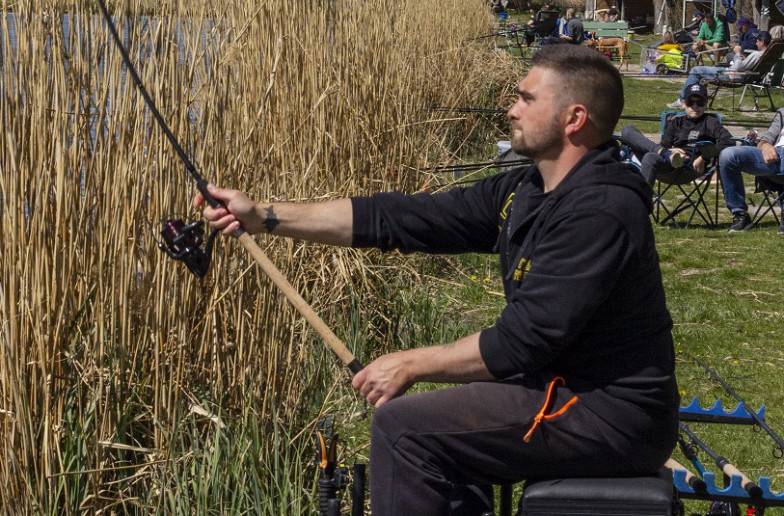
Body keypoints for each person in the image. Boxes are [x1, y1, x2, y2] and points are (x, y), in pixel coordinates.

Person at [197, 45, 679, 516]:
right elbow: (404, 218)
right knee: (435, 427)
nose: (511, 110)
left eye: (527, 99)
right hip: (559, 389)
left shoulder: (599, 211)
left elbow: (522, 342)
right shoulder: (530, 188)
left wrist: (408, 364)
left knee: (403, 430)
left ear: (574, 119)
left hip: (610, 415)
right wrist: (264, 216)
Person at [620, 81, 735, 186]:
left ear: (706, 105)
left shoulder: (709, 122)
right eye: (691, 102)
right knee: (627, 130)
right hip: (667, 163)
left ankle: (643, 200)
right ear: (684, 104)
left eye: (700, 102)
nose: (695, 106)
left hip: (687, 168)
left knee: (650, 157)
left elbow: (729, 140)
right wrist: (669, 151)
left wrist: (703, 158)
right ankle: (664, 153)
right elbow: (664, 144)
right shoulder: (676, 121)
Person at [719, 104, 784, 232]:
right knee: (729, 155)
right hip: (775, 156)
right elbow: (767, 138)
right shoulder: (783, 112)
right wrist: (765, 145)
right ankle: (740, 215)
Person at [680, 30, 770, 100]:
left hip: (730, 75)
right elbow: (744, 66)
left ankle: (683, 100)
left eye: (757, 40)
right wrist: (743, 59)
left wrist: (737, 53)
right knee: (700, 72)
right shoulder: (764, 55)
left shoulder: (757, 54)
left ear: (762, 42)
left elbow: (739, 67)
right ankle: (697, 99)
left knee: (696, 70)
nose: (756, 42)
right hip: (734, 74)